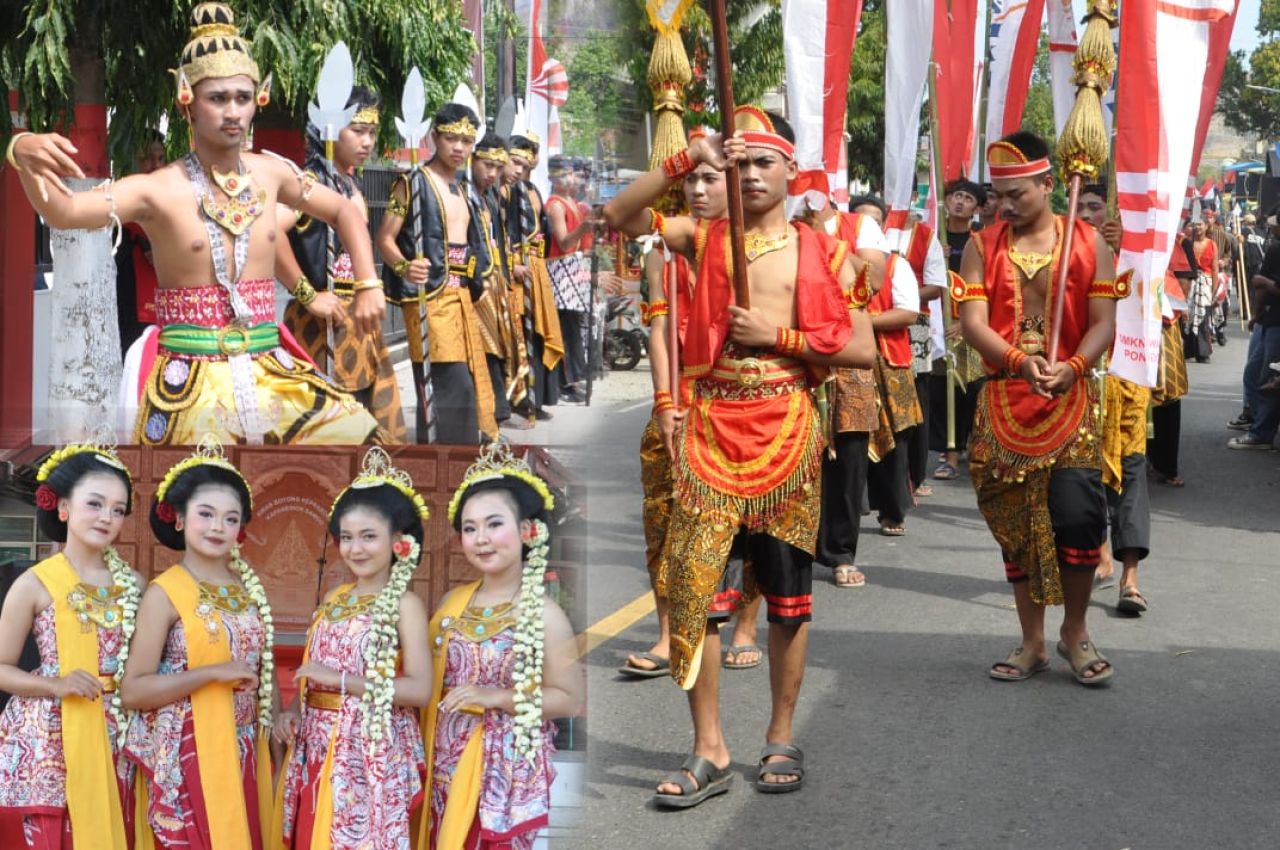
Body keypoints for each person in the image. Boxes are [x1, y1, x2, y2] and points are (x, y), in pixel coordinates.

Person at [604, 106, 875, 803]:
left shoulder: (823, 251)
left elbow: (862, 348)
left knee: (787, 601)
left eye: (763, 162)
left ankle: (781, 732)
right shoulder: (702, 238)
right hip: (709, 431)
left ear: (791, 170)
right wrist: (680, 158)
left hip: (786, 429)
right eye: (739, 162)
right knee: (698, 596)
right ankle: (710, 749)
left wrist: (780, 337)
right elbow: (619, 216)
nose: (749, 174)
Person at [8, 3, 383, 445]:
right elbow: (65, 212)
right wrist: (20, 150)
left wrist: (369, 284)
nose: (233, 113)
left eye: (242, 98)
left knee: (359, 440)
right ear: (188, 101)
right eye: (218, 98)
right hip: (188, 377)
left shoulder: (272, 173)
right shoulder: (158, 190)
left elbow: (343, 210)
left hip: (272, 368)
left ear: (258, 100)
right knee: (199, 495)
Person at [955, 132, 1123, 687]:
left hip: (1069, 398)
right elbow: (973, 324)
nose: (1004, 206)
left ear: (1049, 186)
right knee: (1015, 528)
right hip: (1004, 394)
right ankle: (1032, 641)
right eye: (997, 196)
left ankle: (1074, 633)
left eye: (1017, 194)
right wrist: (1015, 361)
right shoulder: (983, 245)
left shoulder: (1088, 243)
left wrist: (1073, 366)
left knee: (1078, 519)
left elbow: (1103, 323)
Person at [623, 142, 763, 675]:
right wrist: (664, 401)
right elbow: (661, 330)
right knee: (663, 517)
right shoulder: (663, 250)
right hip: (679, 398)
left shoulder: (757, 247)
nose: (700, 191)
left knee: (748, 522)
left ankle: (746, 625)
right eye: (693, 181)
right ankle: (666, 634)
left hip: (739, 401)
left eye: (711, 179)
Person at [422, 442, 584, 849]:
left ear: (528, 530)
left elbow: (569, 700)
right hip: (442, 769)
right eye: (470, 528)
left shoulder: (545, 614)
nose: (481, 539)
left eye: (494, 524)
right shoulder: (450, 604)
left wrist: (496, 697)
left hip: (503, 781)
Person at [272, 448, 431, 849]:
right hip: (318, 747)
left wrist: (341, 681)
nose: (355, 549)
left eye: (368, 537)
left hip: (369, 754)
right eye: (346, 537)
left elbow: (419, 689)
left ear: (399, 542)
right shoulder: (335, 596)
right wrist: (291, 714)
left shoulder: (405, 604)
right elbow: (313, 677)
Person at [121, 436, 274, 849]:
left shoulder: (247, 590)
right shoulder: (165, 593)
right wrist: (211, 674)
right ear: (180, 518)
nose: (218, 527)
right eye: (205, 514)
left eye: (230, 518)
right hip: (187, 754)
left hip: (242, 748)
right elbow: (133, 689)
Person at [0, 437, 143, 849]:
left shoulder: (134, 585)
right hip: (51, 736)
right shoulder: (34, 584)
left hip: (121, 731)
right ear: (63, 508)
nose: (107, 517)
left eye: (118, 510)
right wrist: (56, 684)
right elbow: (3, 667)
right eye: (95, 504)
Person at [276, 85, 407, 441]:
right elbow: (267, 233)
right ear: (332, 130)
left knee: (369, 427)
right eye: (358, 131)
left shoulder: (351, 183)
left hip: (359, 324)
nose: (368, 142)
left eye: (372, 132)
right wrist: (308, 295)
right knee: (326, 430)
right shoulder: (308, 184)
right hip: (320, 326)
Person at [378, 101, 498, 444]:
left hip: (461, 298)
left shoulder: (464, 190)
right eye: (451, 138)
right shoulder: (411, 183)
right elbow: (385, 238)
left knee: (468, 384)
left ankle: (459, 462)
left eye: (466, 141)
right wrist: (404, 265)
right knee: (449, 384)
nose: (459, 148)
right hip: (429, 296)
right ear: (434, 137)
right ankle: (444, 464)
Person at [802, 193, 888, 587]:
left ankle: (840, 552)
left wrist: (827, 243)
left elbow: (873, 283)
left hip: (847, 354)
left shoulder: (860, 226)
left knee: (849, 456)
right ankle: (795, 547)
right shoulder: (773, 222)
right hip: (795, 352)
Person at [1075, 184, 1153, 614]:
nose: (1087, 214)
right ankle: (1098, 552)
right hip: (1080, 379)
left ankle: (1131, 576)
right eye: (1080, 207)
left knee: (1132, 470)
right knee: (1084, 475)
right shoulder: (1063, 254)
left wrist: (1125, 257)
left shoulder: (1138, 258)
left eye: (1095, 206)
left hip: (1126, 381)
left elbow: (1158, 307)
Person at [851, 195, 922, 538]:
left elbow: (909, 312)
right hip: (847, 361)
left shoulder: (896, 265)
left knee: (895, 438)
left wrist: (862, 321)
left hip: (890, 362)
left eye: (874, 222)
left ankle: (893, 510)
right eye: (860, 220)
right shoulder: (833, 260)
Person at [467, 133, 531, 427]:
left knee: (500, 347)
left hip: (495, 282)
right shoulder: (463, 192)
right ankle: (494, 411)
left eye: (498, 165)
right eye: (487, 165)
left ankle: (500, 408)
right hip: (474, 287)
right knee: (487, 350)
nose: (492, 172)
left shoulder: (490, 196)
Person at [884, 202, 947, 497]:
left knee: (916, 397)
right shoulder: (875, 231)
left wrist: (901, 295)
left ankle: (916, 474)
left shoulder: (926, 235)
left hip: (915, 324)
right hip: (878, 318)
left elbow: (936, 286)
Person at [501, 131, 565, 421]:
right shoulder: (502, 192)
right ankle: (519, 399)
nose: (521, 170)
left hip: (536, 269)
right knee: (518, 337)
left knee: (539, 335)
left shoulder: (532, 191)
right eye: (516, 162)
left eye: (527, 163)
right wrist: (512, 264)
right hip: (515, 271)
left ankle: (538, 399)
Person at [932, 179, 988, 480]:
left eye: (967, 198)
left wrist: (966, 323)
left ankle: (968, 441)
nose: (960, 202)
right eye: (956, 196)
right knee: (941, 391)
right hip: (936, 326)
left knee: (971, 390)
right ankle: (949, 453)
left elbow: (985, 288)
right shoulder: (931, 237)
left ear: (976, 208)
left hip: (967, 326)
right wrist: (931, 256)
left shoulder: (979, 243)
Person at [1228, 205, 1280, 451]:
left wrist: (1262, 284)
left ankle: (1262, 432)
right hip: (1269, 321)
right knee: (1258, 374)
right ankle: (1256, 422)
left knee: (1269, 378)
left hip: (1273, 322)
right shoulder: (1273, 246)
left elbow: (1262, 286)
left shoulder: (1275, 248)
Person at [544, 156, 594, 404]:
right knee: (565, 327)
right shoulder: (555, 205)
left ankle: (574, 378)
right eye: (563, 174)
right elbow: (563, 242)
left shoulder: (571, 202)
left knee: (574, 326)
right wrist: (584, 227)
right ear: (552, 177)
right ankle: (566, 382)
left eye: (570, 174)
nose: (569, 179)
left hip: (573, 268)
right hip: (560, 269)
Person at [116, 130, 168, 356]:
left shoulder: (171, 200)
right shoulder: (116, 201)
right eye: (147, 158)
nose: (155, 165)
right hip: (130, 304)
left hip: (166, 306)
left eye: (160, 158)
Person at [1169, 218, 1216, 363]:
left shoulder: (1211, 243)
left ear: (1206, 226)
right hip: (1190, 284)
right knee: (1187, 319)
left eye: (1200, 224)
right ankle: (1188, 349)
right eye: (1194, 225)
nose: (1197, 228)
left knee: (1202, 317)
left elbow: (1214, 268)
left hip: (1204, 284)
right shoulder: (1185, 243)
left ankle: (1203, 352)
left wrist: (1213, 289)